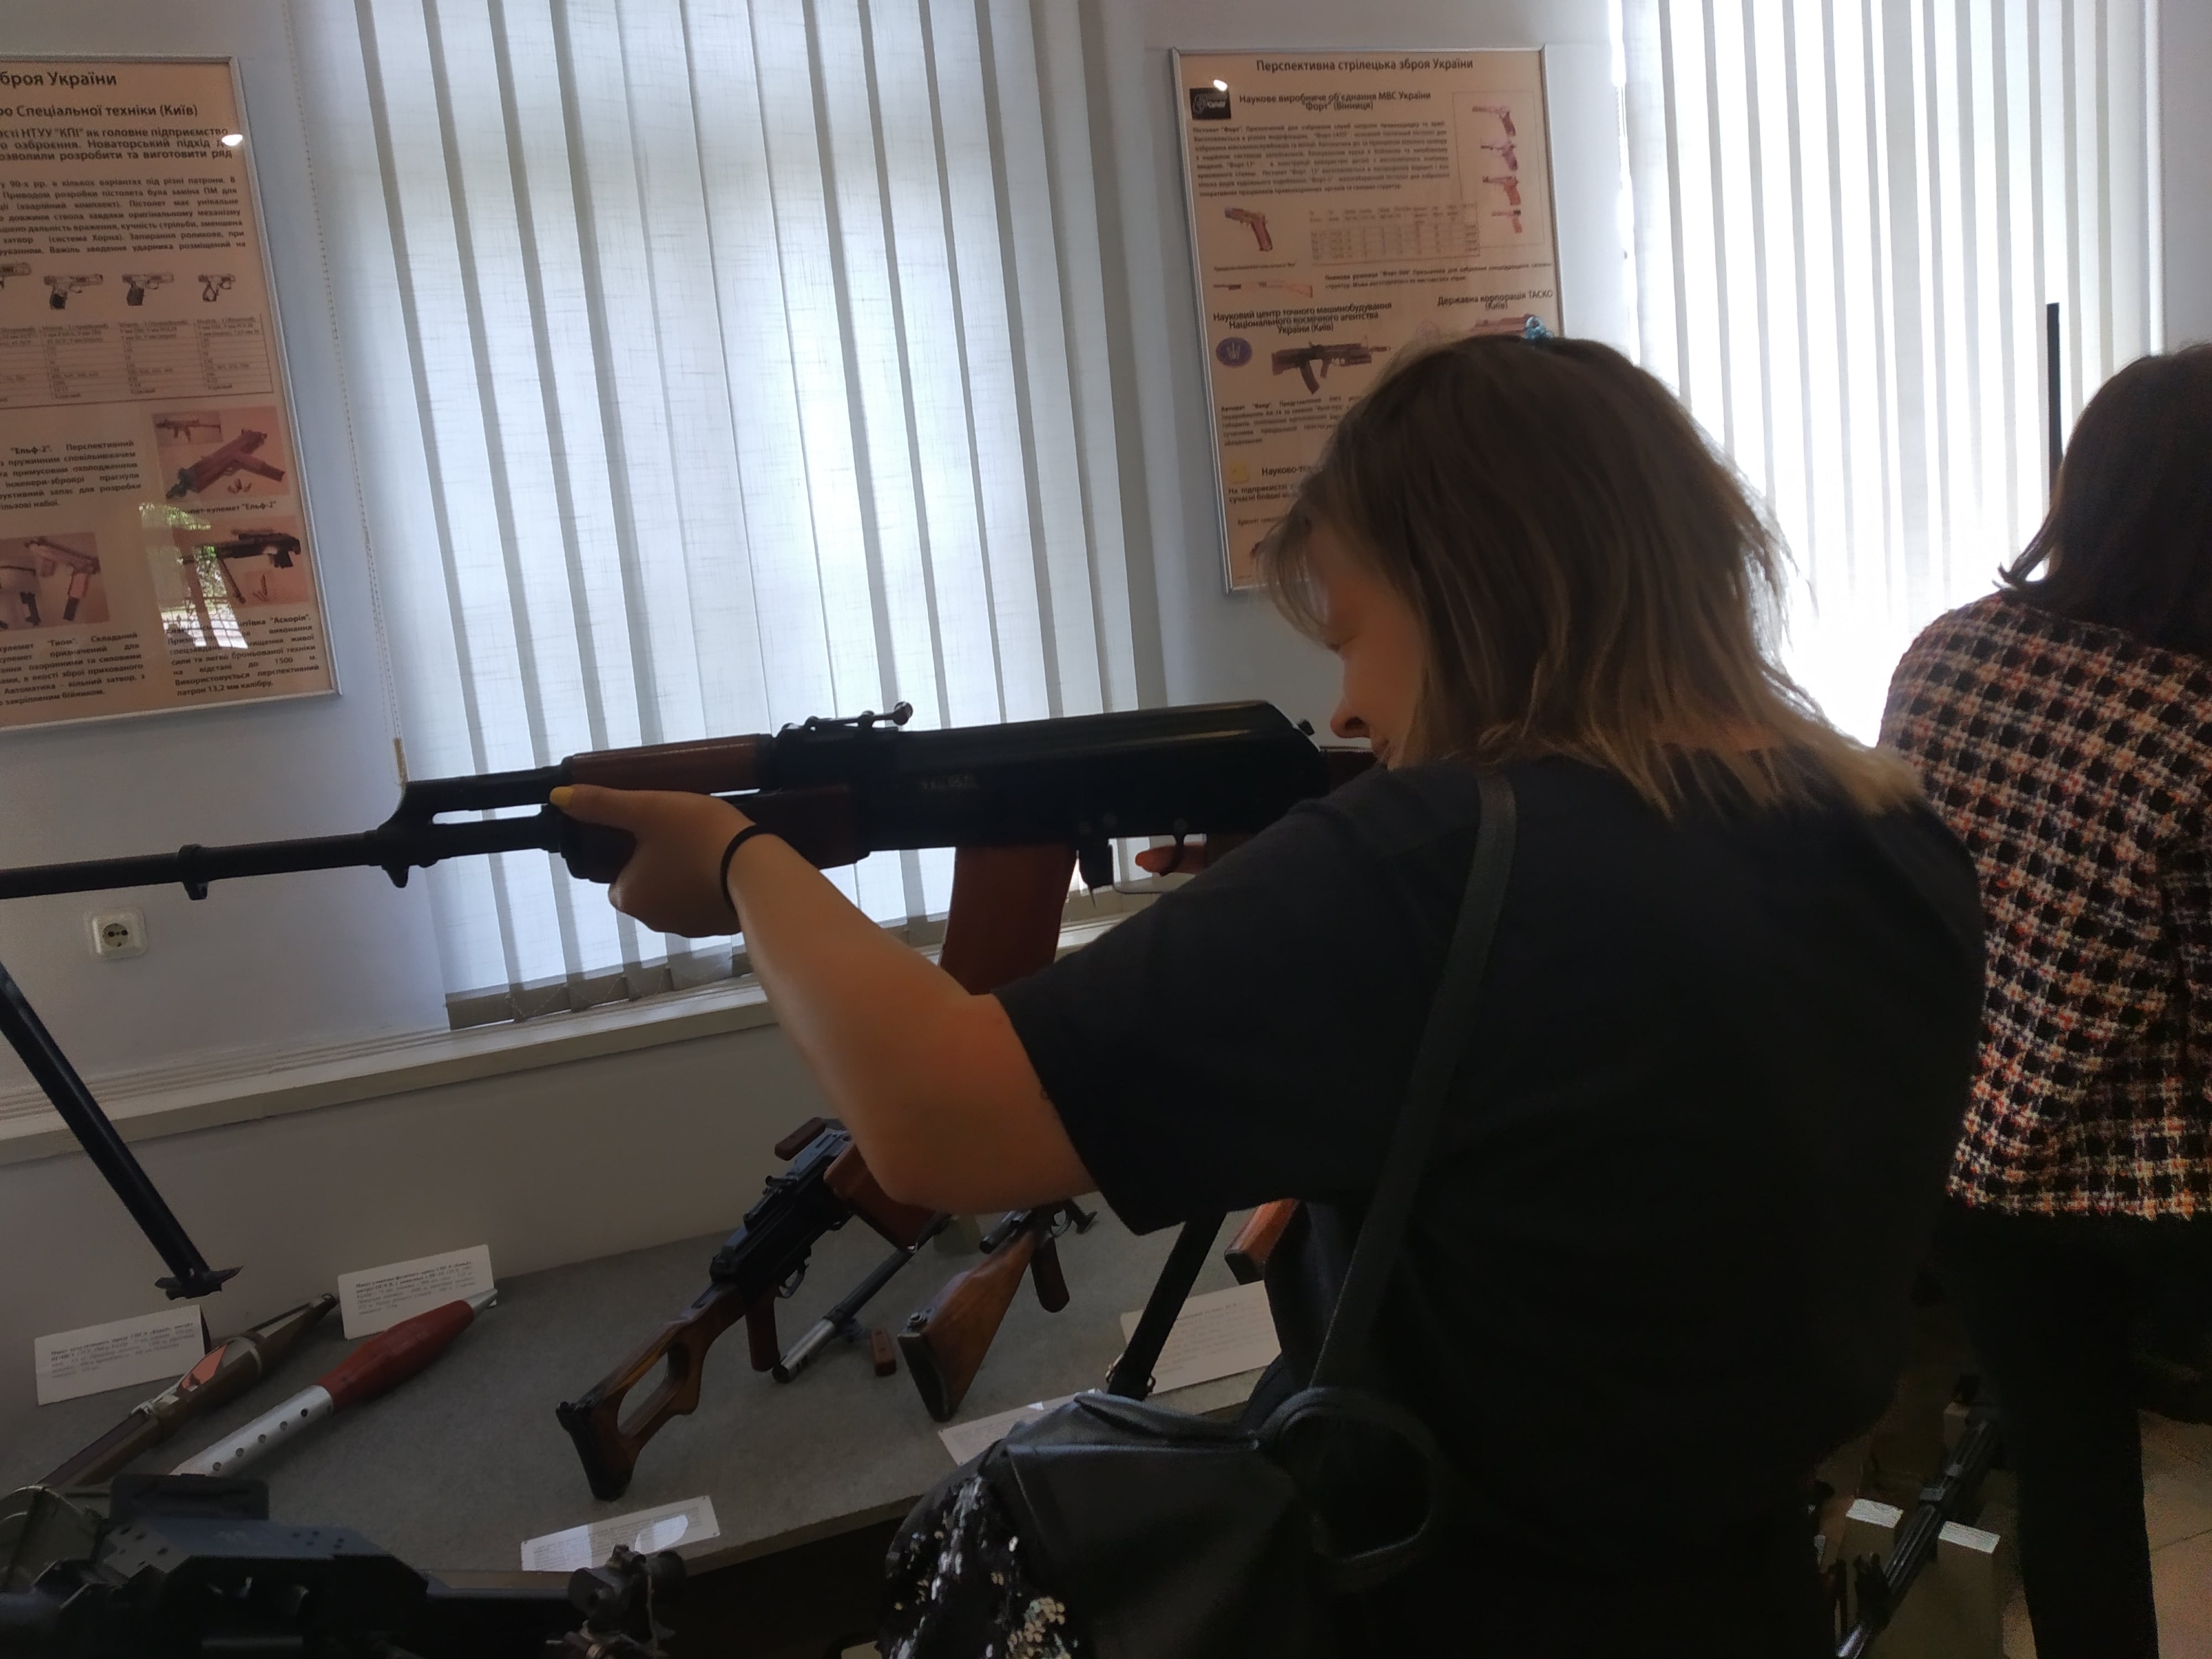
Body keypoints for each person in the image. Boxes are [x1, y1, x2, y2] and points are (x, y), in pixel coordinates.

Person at [555, 334, 1984, 1655]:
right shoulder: (1886, 833)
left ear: (1468, 593)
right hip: (1740, 1588)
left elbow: (931, 1122)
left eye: (1352, 631)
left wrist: (743, 868)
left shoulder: (1428, 865)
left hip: (1453, 1604)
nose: (1347, 704)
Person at [1882, 345, 2212, 1659]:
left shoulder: (1947, 652)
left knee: (2070, 1477)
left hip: (1968, 1160)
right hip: (2165, 1197)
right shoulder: (2193, 725)